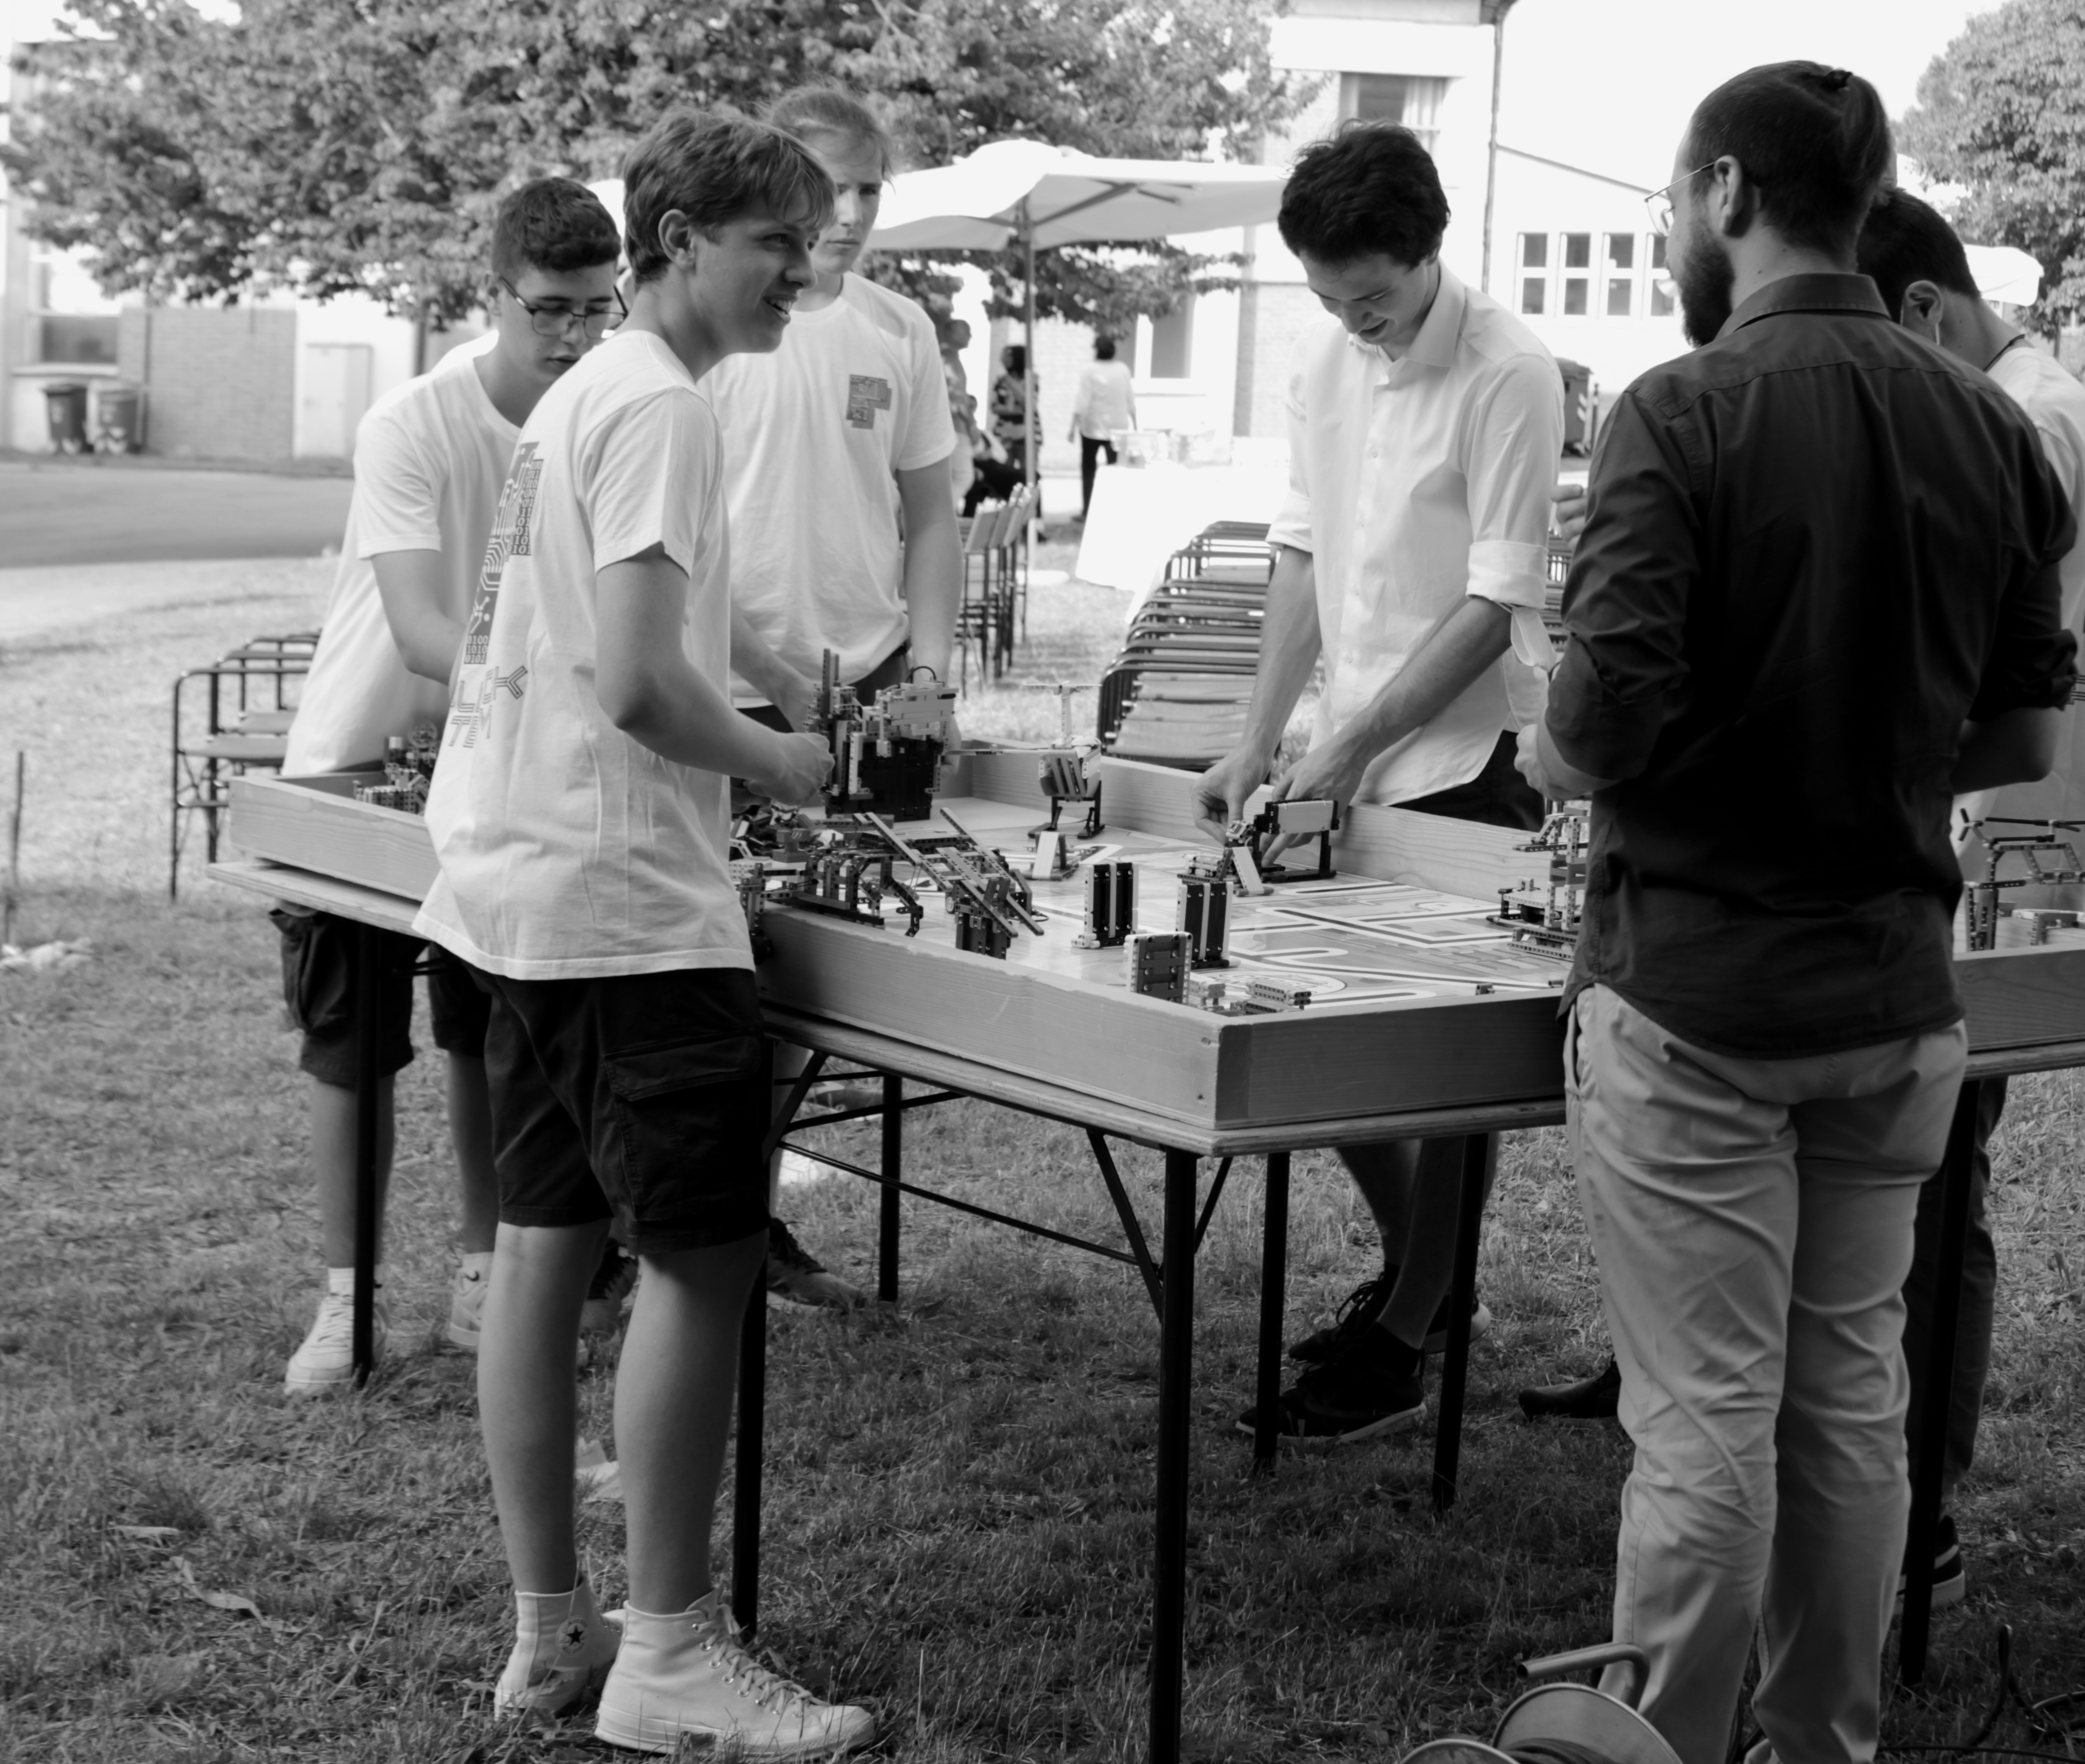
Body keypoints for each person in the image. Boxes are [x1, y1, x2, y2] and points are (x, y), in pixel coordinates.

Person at [1516, 65, 2075, 1764]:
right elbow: (2020, 733)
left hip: (1698, 996)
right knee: (1843, 1401)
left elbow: (1598, 726)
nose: (1667, 229)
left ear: (1726, 190)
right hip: (1890, 1002)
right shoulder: (1988, 421)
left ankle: (1671, 1745)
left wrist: (1539, 741)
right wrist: (1862, 757)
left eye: (1668, 199)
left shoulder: (1675, 409)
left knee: (1702, 1419)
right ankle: (1819, 1741)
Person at [413, 109, 871, 1754]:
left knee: (544, 1243)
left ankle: (554, 1633)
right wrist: (781, 762)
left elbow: (620, 616)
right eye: (776, 245)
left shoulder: (591, 387)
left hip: (512, 887)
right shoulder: (666, 403)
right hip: (621, 909)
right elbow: (633, 683)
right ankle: (669, 1654)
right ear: (680, 240)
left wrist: (772, 661)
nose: (802, 272)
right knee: (705, 1252)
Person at [1193, 119, 1564, 1443]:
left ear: (1430, 251)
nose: (1354, 323)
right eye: (1331, 299)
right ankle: (1427, 1281)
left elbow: (1496, 601)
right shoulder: (1322, 361)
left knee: (1447, 1061)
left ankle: (1405, 1334)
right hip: (1343, 752)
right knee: (1316, 1030)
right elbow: (1300, 552)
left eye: (1375, 300)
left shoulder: (1511, 370)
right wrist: (1259, 736)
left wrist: (1349, 746)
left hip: (1465, 762)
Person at [273, 177, 624, 1393]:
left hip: (510, 764)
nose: (573, 334)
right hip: (361, 756)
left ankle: (487, 1279)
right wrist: (571, 677)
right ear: (495, 295)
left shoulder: (606, 417)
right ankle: (348, 1298)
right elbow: (423, 628)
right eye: (548, 309)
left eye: (595, 307)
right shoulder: (411, 423)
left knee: (492, 1030)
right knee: (352, 1041)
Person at [1856, 186, 2085, 1612]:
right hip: (1954, 836)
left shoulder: (2029, 417)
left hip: (2000, 849)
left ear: (1923, 313)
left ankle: (1918, 1509)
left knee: (1940, 1180)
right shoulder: (2007, 401)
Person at [703, 83, 962, 1309]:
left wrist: (931, 674)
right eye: (826, 188)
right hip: (727, 694)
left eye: (868, 188)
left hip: (867, 691)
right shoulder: (718, 328)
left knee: (821, 968)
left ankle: (746, 1220)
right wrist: (762, 677)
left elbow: (932, 517)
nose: (849, 213)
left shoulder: (900, 330)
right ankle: (662, 1230)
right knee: (711, 974)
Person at [1068, 335, 1135, 520]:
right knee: (1116, 471)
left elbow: (1082, 399)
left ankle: (1087, 511)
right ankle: (1113, 510)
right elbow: (1130, 397)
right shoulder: (1123, 369)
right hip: (1118, 429)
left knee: (1088, 470)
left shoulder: (1090, 370)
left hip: (1092, 428)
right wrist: (1135, 421)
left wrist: (1073, 426)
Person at [991, 342, 1034, 476]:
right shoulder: (1000, 380)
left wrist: (1011, 383)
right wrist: (1016, 410)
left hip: (1026, 435)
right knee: (1004, 473)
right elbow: (994, 407)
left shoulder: (1031, 379)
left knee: (1027, 474)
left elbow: (1029, 405)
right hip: (1003, 434)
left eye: (1008, 355)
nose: (1003, 358)